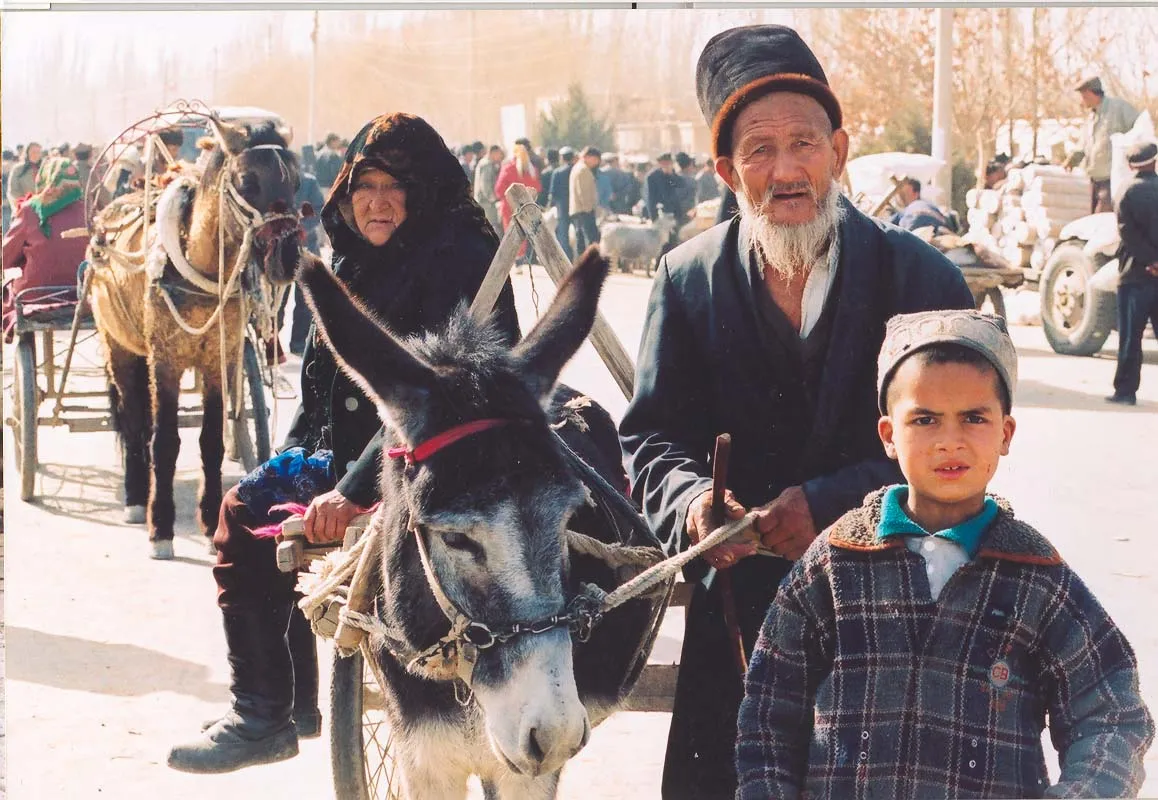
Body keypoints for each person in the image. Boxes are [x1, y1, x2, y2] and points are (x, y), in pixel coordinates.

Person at [618, 24, 974, 799]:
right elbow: (649, 436)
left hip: (897, 617)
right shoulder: (687, 282)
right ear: (726, 169)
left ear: (839, 152)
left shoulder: (923, 283)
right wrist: (690, 507)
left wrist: (831, 505)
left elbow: (961, 449)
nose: (786, 171)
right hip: (739, 623)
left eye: (804, 144)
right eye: (759, 150)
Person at [166, 112, 520, 774]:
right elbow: (321, 394)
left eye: (397, 187)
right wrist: (292, 473)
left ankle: (279, 708)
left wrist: (353, 493)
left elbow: (434, 405)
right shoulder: (351, 262)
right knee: (248, 511)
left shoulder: (457, 263)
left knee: (268, 513)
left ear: (425, 193)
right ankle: (271, 713)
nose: (378, 202)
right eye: (365, 184)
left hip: (445, 463)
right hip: (358, 457)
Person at [736, 308, 1155, 798]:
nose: (949, 442)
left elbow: (1112, 714)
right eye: (925, 419)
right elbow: (768, 711)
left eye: (974, 418)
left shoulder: (1038, 577)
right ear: (889, 435)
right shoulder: (835, 563)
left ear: (1005, 434)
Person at [2, 157, 89, 341]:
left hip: (36, 295)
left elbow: (5, 257)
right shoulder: (88, 209)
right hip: (82, 293)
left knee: (8, 281)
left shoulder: (30, 210)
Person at [1107, 141, 1158, 406]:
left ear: (1129, 165)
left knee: (1131, 336)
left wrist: (1150, 260)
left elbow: (1127, 231)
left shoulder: (1126, 191)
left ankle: (1125, 392)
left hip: (1135, 275)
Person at [1065, 76, 1140, 214]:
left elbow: (1140, 129)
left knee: (1103, 219)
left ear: (1090, 93)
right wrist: (1072, 159)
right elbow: (1084, 145)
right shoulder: (1091, 118)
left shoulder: (1118, 108)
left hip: (1112, 179)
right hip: (1094, 180)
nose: (1082, 101)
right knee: (1095, 222)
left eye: (1083, 96)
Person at [569, 145, 600, 252]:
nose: (596, 163)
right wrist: (589, 210)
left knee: (581, 242)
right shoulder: (583, 170)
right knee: (591, 241)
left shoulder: (578, 167)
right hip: (584, 211)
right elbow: (583, 193)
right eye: (596, 160)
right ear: (589, 157)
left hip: (579, 211)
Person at [549, 146, 575, 260]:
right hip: (576, 207)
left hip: (562, 207)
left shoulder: (557, 172)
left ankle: (566, 259)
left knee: (563, 235)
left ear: (562, 158)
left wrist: (550, 206)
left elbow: (553, 193)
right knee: (578, 233)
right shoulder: (576, 170)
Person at [473, 144, 504, 235]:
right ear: (493, 153)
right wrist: (494, 199)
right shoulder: (487, 165)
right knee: (492, 227)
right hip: (486, 203)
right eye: (499, 154)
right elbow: (485, 186)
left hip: (485, 202)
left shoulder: (485, 163)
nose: (500, 156)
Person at [7, 141, 43, 209]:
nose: (36, 154)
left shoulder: (44, 168)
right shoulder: (18, 169)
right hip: (24, 208)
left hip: (42, 208)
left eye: (38, 152)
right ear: (27, 153)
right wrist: (24, 203)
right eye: (33, 152)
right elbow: (13, 191)